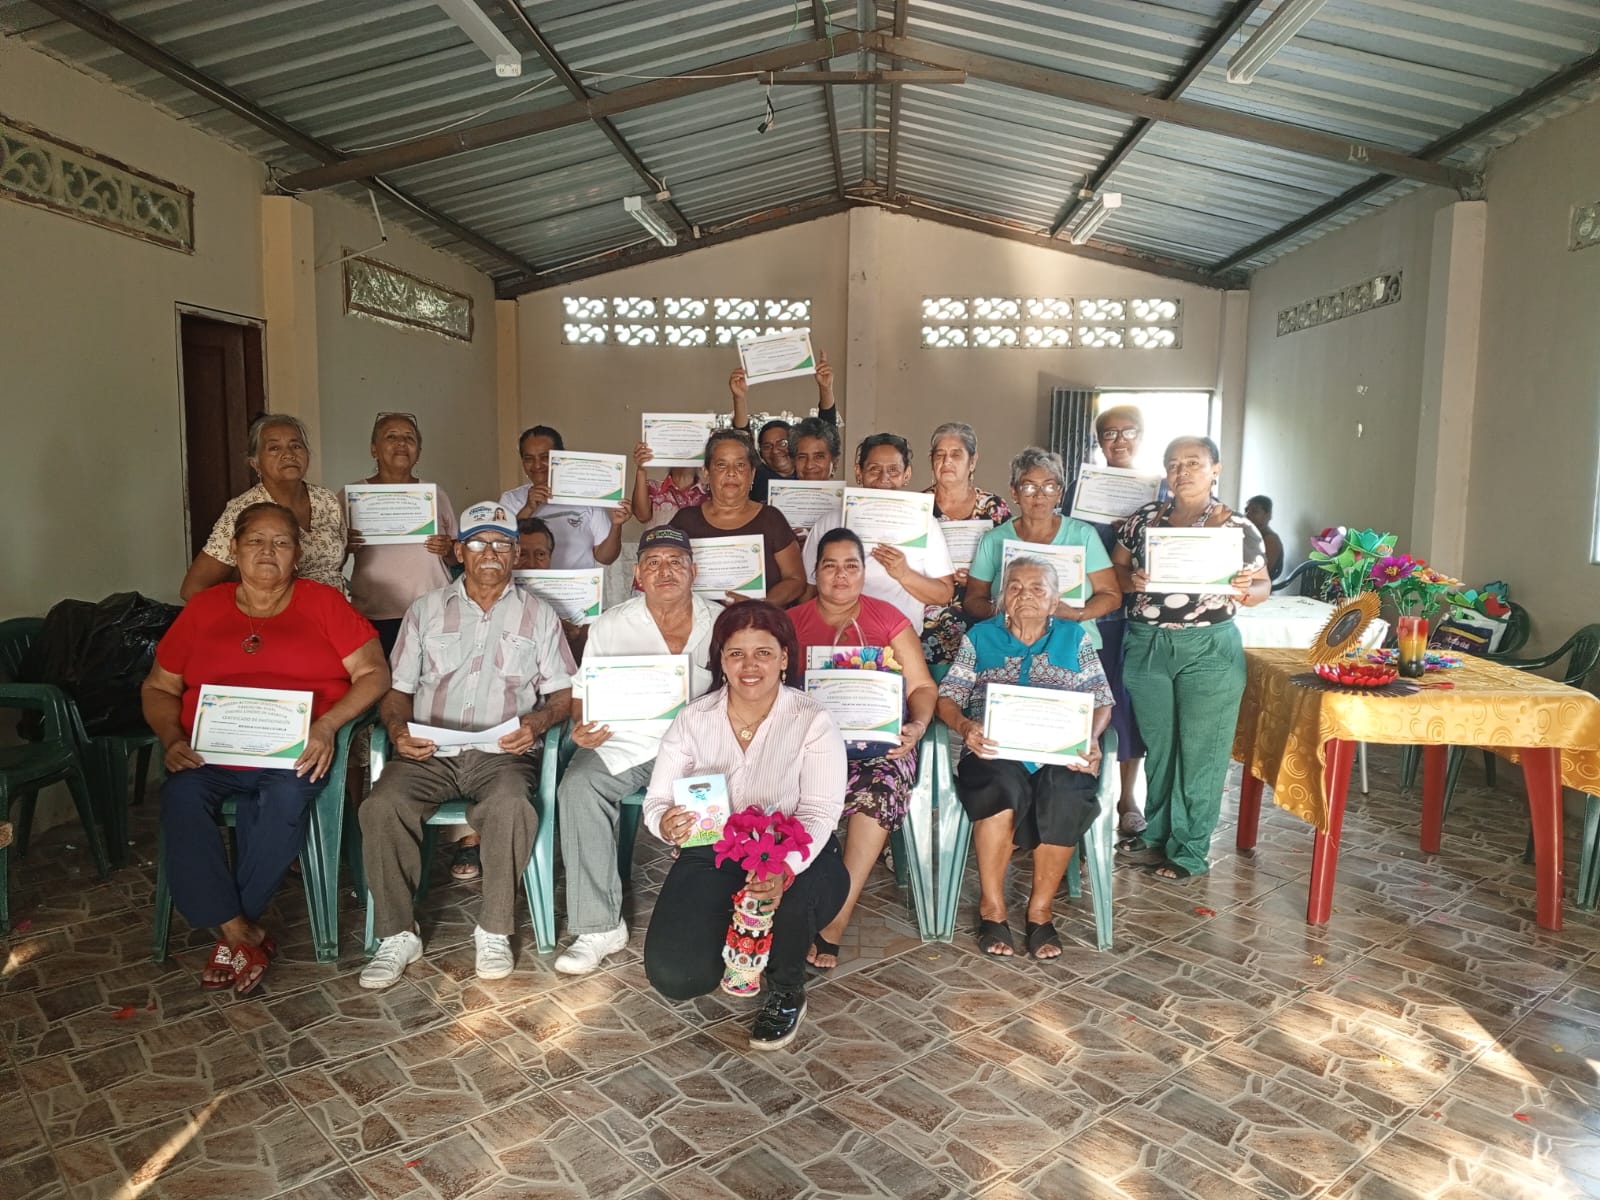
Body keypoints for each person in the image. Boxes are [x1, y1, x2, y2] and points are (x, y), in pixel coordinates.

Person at [143, 502, 389, 994]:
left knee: (284, 796)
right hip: (210, 752)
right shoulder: (204, 609)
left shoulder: (322, 603)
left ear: (297, 553)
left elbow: (374, 674)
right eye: (255, 541)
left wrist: (328, 725)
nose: (267, 551)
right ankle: (243, 932)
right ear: (234, 549)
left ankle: (233, 929)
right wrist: (172, 738)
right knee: (181, 796)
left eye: (281, 542)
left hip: (294, 751)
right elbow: (158, 687)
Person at [358, 502, 575, 988]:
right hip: (430, 752)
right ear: (459, 551)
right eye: (478, 542)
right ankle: (397, 935)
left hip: (502, 753)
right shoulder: (425, 610)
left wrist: (538, 722)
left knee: (511, 806)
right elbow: (397, 692)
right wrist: (398, 732)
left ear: (515, 553)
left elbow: (564, 695)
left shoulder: (539, 615)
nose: (490, 553)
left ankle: (494, 929)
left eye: (501, 543)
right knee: (381, 807)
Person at [641, 602, 848, 1050]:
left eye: (763, 653)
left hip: (797, 851)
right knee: (677, 976)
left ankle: (787, 987)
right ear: (720, 659)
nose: (750, 666)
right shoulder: (694, 719)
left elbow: (819, 811)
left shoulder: (811, 719)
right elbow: (657, 801)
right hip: (714, 849)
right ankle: (734, 935)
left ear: (784, 658)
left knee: (785, 897)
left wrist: (784, 869)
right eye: (736, 654)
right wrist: (666, 823)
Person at [552, 527, 717, 975]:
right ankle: (599, 926)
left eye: (676, 562)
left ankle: (711, 916)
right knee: (579, 787)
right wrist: (582, 726)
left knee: (719, 793)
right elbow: (582, 694)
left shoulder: (722, 621)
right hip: (626, 740)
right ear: (639, 573)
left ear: (693, 570)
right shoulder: (611, 624)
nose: (665, 571)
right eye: (654, 563)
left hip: (700, 745)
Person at [936, 556, 1114, 960]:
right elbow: (948, 697)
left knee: (1066, 789)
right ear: (1002, 597)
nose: (1026, 595)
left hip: (1060, 753)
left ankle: (1040, 911)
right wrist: (966, 726)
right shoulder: (981, 636)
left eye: (1038, 589)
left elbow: (1102, 700)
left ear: (1054, 600)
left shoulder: (1074, 637)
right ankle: (992, 907)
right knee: (999, 785)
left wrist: (1090, 737)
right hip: (994, 750)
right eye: (1015, 587)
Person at [1112, 436, 1269, 883]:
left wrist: (1245, 591)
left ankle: (1191, 848)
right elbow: (1114, 570)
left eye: (1194, 463)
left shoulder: (1237, 526)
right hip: (1147, 645)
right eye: (1174, 463)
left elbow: (1263, 586)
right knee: (1161, 747)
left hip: (1209, 648)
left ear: (1215, 469)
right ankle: (1156, 835)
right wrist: (1132, 578)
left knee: (1201, 751)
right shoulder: (1144, 519)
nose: (1182, 471)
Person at [787, 529, 937, 970]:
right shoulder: (790, 623)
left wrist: (917, 725)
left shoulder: (888, 619)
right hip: (808, 745)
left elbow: (923, 686)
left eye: (851, 566)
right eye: (830, 566)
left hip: (878, 748)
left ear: (864, 572)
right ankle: (787, 903)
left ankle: (837, 917)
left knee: (882, 786)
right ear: (815, 571)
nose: (840, 575)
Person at [964, 447, 1121, 645]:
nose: (1039, 495)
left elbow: (1111, 595)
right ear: (1014, 492)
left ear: (1059, 493)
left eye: (1049, 486)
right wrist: (1008, 614)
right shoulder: (993, 539)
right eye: (1029, 487)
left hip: (1074, 645)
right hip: (1009, 644)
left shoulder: (1083, 535)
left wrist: (1077, 614)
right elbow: (973, 601)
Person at [181, 414, 347, 598]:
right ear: (255, 463)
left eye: (296, 446)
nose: (289, 454)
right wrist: (248, 607)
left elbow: (333, 563)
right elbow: (193, 588)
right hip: (284, 611)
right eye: (274, 448)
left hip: (335, 609)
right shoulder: (244, 509)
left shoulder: (326, 499)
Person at [800, 433, 956, 629]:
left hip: (899, 639)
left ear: (906, 474)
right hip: (839, 636)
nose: (884, 478)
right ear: (859, 472)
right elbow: (809, 590)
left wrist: (904, 574)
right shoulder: (830, 523)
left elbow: (943, 594)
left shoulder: (925, 524)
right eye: (874, 469)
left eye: (893, 470)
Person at [345, 413, 457, 657]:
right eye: (391, 437)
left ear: (418, 452)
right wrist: (345, 546)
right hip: (376, 612)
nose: (401, 443)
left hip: (433, 609)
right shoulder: (351, 496)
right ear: (374, 449)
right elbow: (332, 560)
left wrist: (447, 548)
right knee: (383, 678)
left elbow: (456, 557)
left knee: (433, 678)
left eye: (409, 438)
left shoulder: (436, 494)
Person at [1089, 404, 1151, 835]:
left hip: (1141, 617)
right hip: (1096, 616)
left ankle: (1128, 796)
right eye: (1110, 433)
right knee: (1095, 702)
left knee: (1130, 706)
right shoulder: (1083, 491)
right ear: (1099, 441)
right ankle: (1087, 790)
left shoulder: (1159, 493)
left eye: (1128, 432)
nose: (1119, 440)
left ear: (1141, 436)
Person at [668, 430, 807, 606]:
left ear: (752, 473)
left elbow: (795, 579)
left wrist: (761, 605)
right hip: (698, 620)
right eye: (721, 465)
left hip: (758, 620)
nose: (731, 473)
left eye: (740, 465)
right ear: (706, 472)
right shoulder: (686, 521)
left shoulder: (771, 519)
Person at [921, 422, 1011, 668]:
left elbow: (1012, 564)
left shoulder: (994, 508)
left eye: (956, 454)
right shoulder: (918, 506)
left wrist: (979, 578)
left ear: (972, 461)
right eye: (940, 455)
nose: (947, 461)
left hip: (981, 622)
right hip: (926, 626)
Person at [498, 425, 628, 569]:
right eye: (529, 458)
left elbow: (606, 558)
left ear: (562, 457)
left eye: (545, 457)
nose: (537, 465)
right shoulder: (511, 500)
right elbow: (500, 549)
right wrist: (528, 508)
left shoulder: (587, 498)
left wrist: (616, 526)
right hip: (527, 584)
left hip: (577, 583)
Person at [729, 352, 839, 501]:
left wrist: (825, 388)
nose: (775, 450)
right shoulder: (759, 477)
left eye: (782, 443)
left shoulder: (808, 473)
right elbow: (742, 440)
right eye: (767, 446)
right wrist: (739, 397)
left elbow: (827, 432)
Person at [629, 443, 707, 529]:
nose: (683, 454)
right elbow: (642, 516)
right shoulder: (654, 487)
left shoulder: (709, 493)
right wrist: (641, 469)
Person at [1245, 494, 1285, 580]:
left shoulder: (1270, 540)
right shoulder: (1251, 535)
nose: (1247, 515)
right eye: (1246, 510)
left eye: (1254, 511)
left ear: (1267, 515)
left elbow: (1262, 572)